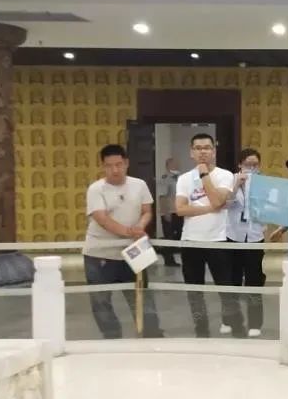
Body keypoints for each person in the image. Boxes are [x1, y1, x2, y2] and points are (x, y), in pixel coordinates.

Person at [82, 144, 163, 338]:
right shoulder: (96, 189)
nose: (115, 170)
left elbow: (147, 211)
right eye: (109, 166)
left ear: (126, 163)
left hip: (135, 249)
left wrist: (140, 227)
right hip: (100, 253)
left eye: (119, 164)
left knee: (142, 295)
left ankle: (151, 334)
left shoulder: (139, 185)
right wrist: (129, 231)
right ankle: (112, 337)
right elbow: (102, 219)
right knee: (101, 300)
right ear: (103, 166)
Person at [175, 133, 246, 338]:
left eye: (207, 148)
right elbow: (180, 209)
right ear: (191, 152)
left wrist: (204, 175)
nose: (202, 152)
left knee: (226, 290)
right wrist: (209, 209)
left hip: (219, 240)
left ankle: (237, 328)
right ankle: (201, 330)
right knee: (194, 292)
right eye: (198, 148)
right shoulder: (184, 179)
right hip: (191, 240)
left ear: (214, 151)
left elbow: (217, 200)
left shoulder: (225, 175)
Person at [224, 148, 268, 338]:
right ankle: (230, 320)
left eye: (255, 165)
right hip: (233, 236)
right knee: (232, 280)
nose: (251, 168)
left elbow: (271, 207)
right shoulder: (230, 180)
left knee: (254, 280)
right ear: (240, 164)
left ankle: (255, 323)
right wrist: (236, 186)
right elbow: (224, 204)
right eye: (248, 164)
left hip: (255, 236)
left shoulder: (264, 183)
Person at [158, 158, 182, 266]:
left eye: (177, 163)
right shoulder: (165, 178)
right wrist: (166, 213)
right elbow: (162, 197)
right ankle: (168, 259)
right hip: (169, 212)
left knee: (179, 235)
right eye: (174, 164)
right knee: (169, 236)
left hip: (178, 211)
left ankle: (165, 251)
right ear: (168, 166)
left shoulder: (179, 178)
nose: (177, 165)